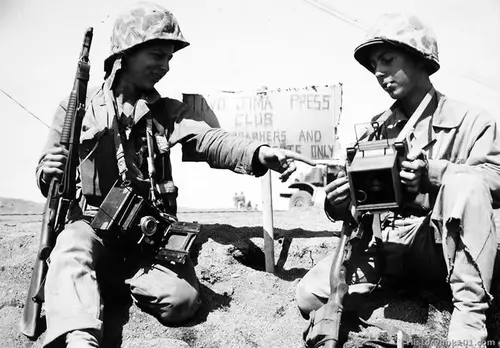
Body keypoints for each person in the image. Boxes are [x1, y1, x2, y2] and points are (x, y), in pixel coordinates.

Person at [36, 2, 314, 347]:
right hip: (93, 233)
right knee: (72, 242)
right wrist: (47, 171)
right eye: (157, 55)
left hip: (145, 242)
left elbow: (210, 139)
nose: (164, 66)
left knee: (181, 301)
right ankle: (80, 336)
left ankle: (91, 288)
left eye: (169, 58)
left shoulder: (166, 112)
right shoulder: (76, 108)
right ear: (126, 53)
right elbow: (49, 175)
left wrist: (259, 153)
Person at [296, 13, 500, 343]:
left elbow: (496, 180)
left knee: (467, 183)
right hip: (385, 247)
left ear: (420, 58)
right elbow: (361, 202)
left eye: (388, 59)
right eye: (374, 64)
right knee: (309, 296)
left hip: (437, 245)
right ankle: (391, 314)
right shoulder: (375, 129)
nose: (379, 72)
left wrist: (433, 174)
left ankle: (470, 317)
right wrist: (340, 205)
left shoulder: (471, 120)